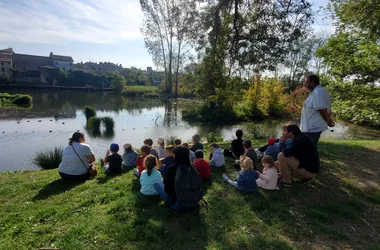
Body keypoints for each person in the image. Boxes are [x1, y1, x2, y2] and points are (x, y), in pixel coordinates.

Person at [154, 146, 202, 212]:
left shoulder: (172, 168)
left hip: (178, 203)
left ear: (175, 155)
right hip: (194, 200)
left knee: (157, 184)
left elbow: (168, 190)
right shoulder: (192, 167)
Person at [300, 74, 335, 145]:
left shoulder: (318, 92)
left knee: (307, 148)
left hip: (313, 128)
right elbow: (324, 107)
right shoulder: (316, 92)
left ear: (312, 82)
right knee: (311, 148)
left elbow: (322, 109)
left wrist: (328, 121)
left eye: (306, 82)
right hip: (311, 128)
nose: (304, 84)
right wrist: (329, 119)